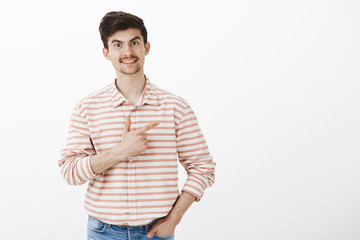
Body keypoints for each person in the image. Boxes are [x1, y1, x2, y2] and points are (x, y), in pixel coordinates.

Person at [58, 11, 215, 240]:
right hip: (103, 232)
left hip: (157, 232)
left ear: (146, 47)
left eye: (134, 43)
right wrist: (120, 152)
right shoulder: (87, 108)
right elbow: (70, 172)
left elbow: (202, 167)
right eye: (118, 45)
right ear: (106, 53)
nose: (127, 52)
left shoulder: (175, 107)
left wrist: (174, 219)